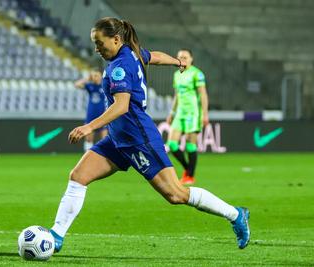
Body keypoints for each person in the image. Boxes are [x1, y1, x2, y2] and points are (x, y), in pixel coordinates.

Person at [49, 17, 250, 254]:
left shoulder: (119, 67)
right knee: (78, 176)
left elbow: (122, 105)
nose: (97, 49)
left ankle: (236, 214)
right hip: (117, 139)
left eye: (100, 43)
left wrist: (89, 127)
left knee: (176, 194)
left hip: (139, 139)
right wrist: (177, 62)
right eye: (95, 43)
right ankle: (56, 235)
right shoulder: (131, 53)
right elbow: (153, 56)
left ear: (115, 39)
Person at [166, 49, 209, 185]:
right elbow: (177, 96)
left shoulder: (197, 74)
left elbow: (203, 95)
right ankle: (188, 170)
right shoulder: (176, 75)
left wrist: (205, 114)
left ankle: (190, 176)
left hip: (193, 113)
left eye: (185, 57)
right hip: (180, 113)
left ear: (191, 59)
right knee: (172, 144)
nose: (182, 59)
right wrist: (172, 113)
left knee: (190, 145)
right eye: (180, 57)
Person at [74, 69, 108, 151]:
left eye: (96, 75)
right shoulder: (90, 86)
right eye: (93, 76)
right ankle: (87, 156)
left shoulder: (105, 86)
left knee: (104, 140)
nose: (94, 77)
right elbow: (77, 85)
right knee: (89, 139)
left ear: (101, 76)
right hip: (91, 115)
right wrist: (87, 79)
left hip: (103, 116)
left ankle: (103, 158)